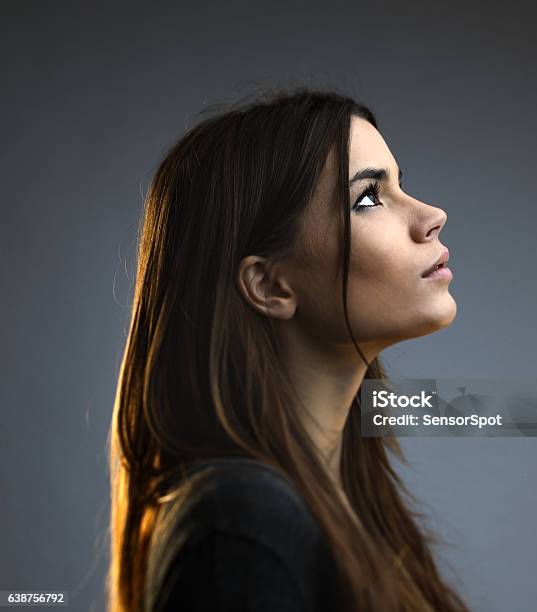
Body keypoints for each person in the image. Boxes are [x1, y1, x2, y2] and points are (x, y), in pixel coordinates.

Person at [106, 84, 468, 612]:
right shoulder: (244, 526)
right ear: (270, 286)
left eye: (400, 185)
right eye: (368, 198)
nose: (431, 214)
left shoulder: (339, 505)